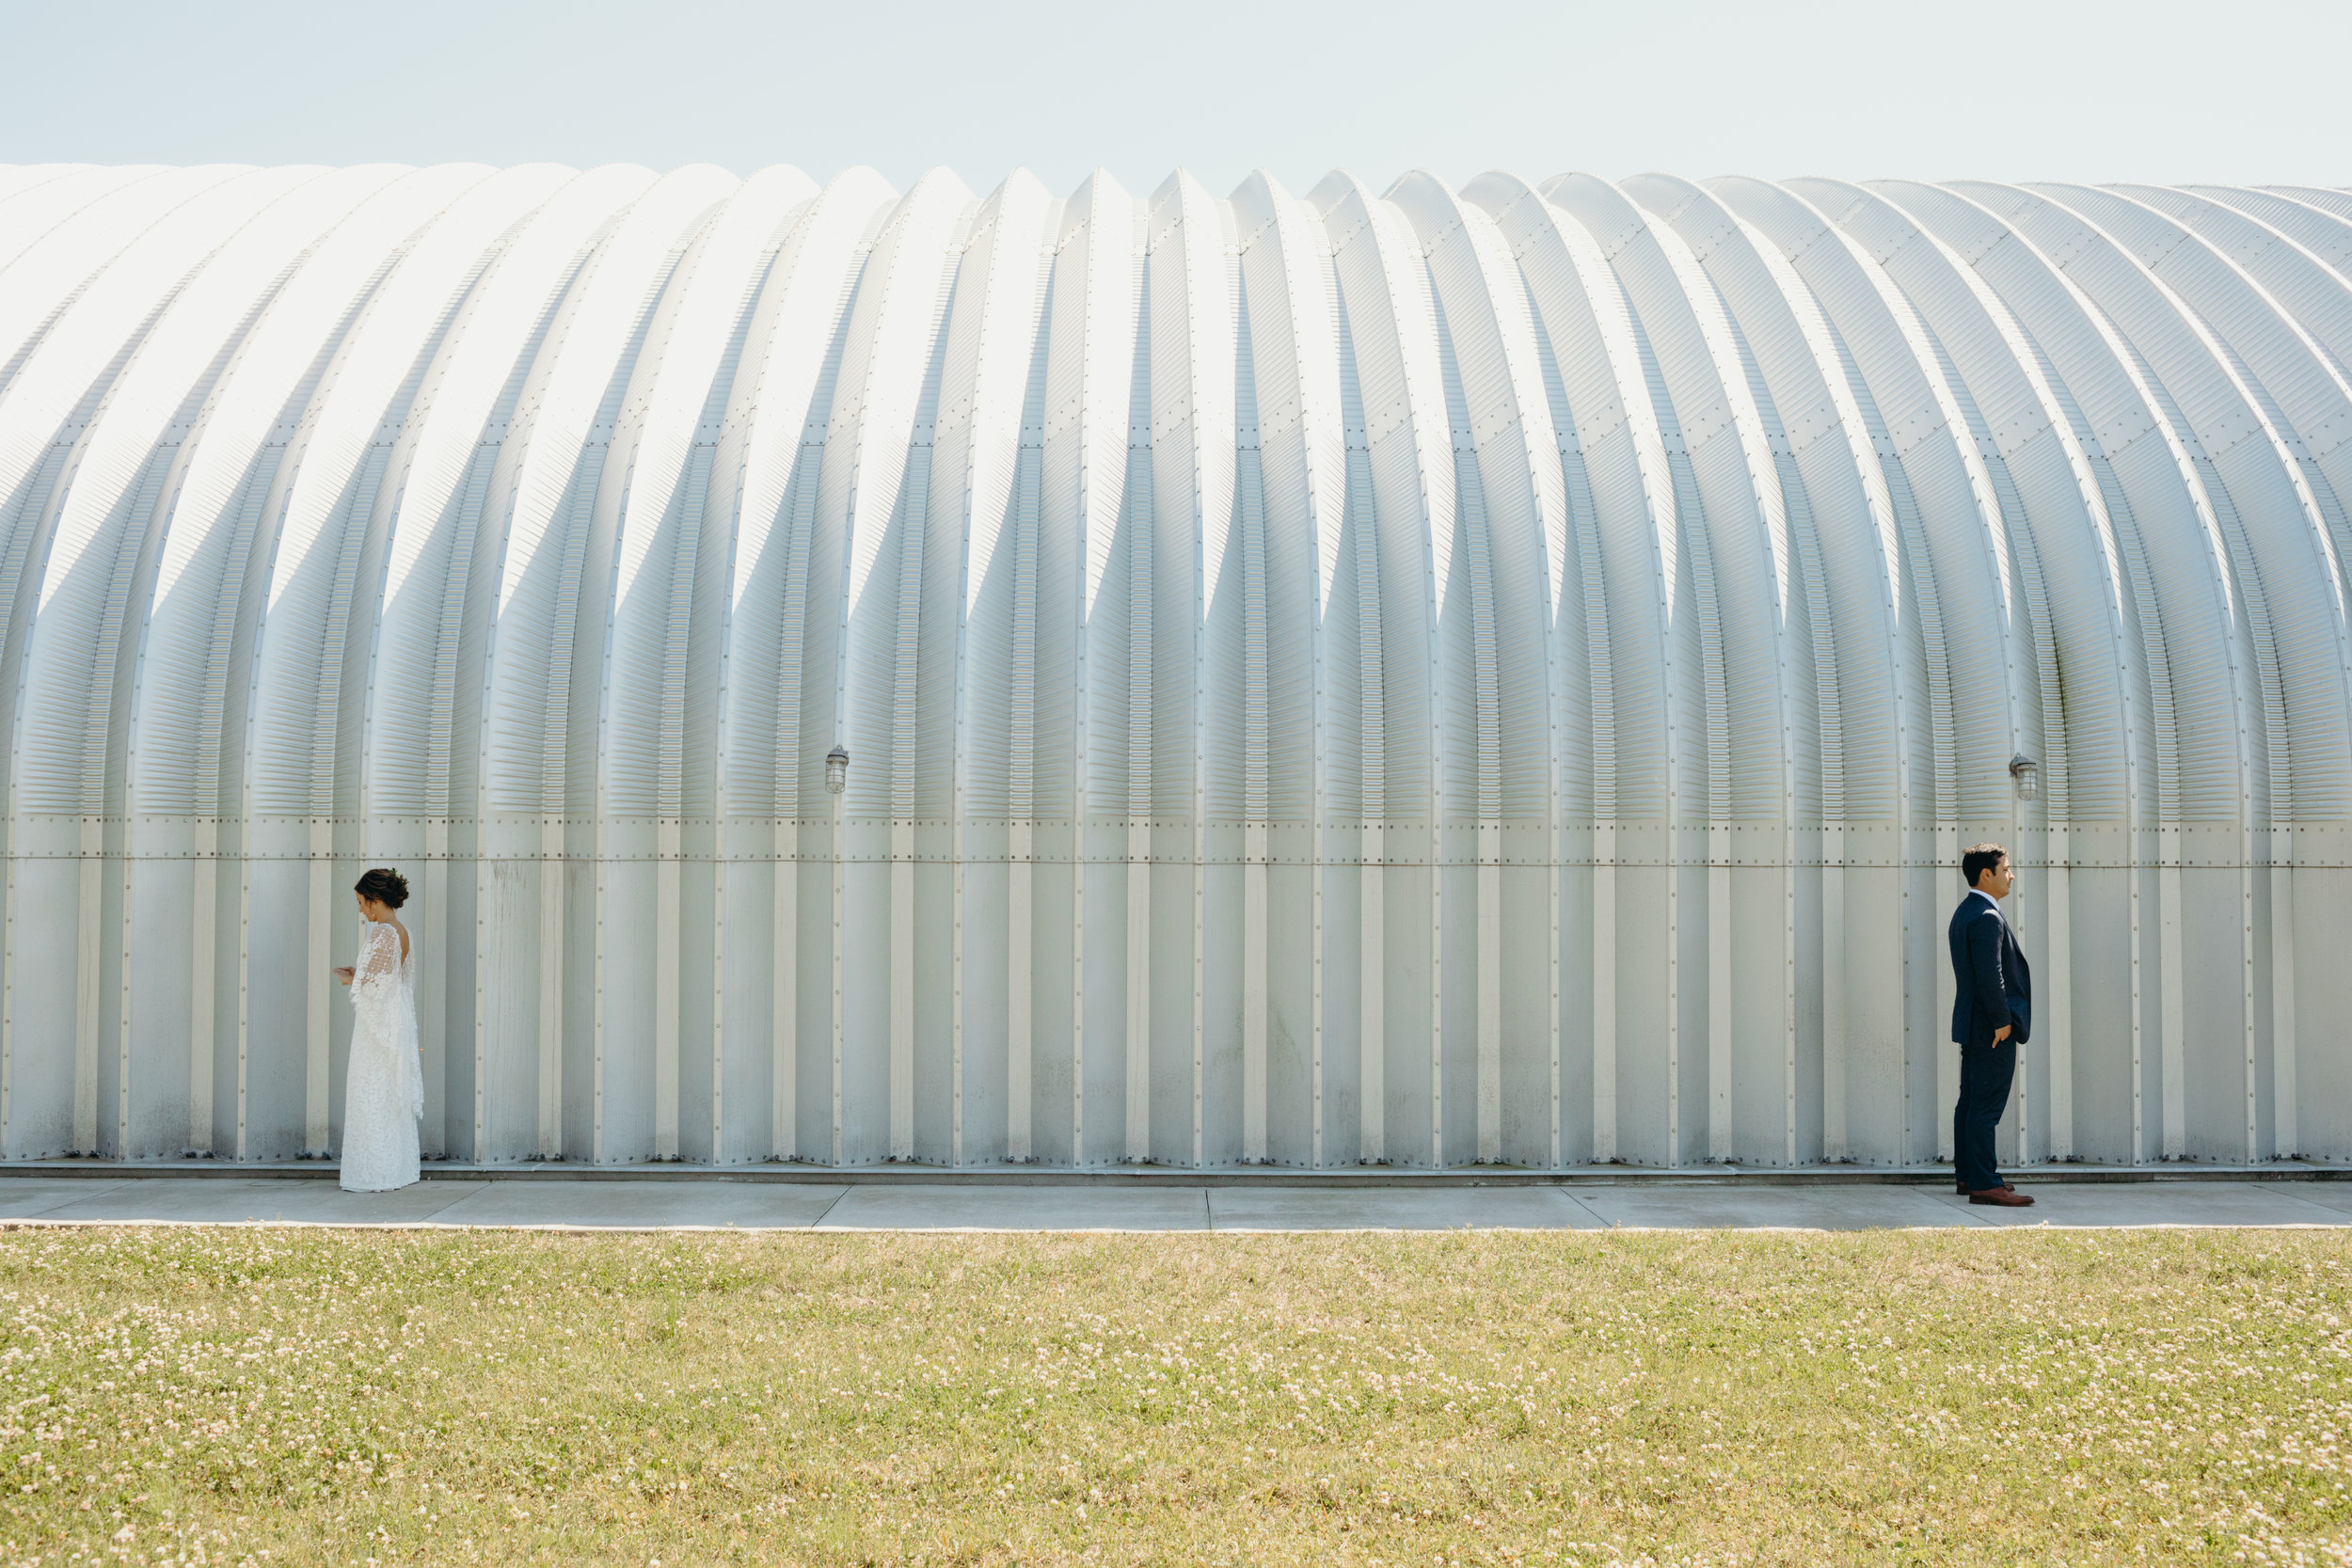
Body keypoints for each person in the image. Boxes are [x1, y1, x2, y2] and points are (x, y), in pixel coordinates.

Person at [1949, 844, 2033, 1206]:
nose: (2011, 875)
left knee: (1970, 1103)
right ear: (1987, 873)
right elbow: (1990, 976)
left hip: (1974, 1024)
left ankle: (1969, 1176)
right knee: (1985, 1107)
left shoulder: (1966, 911)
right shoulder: (1986, 915)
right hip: (1991, 1029)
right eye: (2006, 869)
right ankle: (1985, 1182)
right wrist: (2002, 1021)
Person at [331, 867, 422, 1192]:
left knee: (368, 1091)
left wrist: (350, 978)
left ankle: (372, 1173)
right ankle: (394, 1168)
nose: (359, 910)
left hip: (377, 1030)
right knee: (386, 1095)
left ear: (374, 900)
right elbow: (388, 979)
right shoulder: (402, 930)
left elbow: (374, 989)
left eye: (360, 902)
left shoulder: (383, 933)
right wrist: (360, 973)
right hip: (394, 1023)